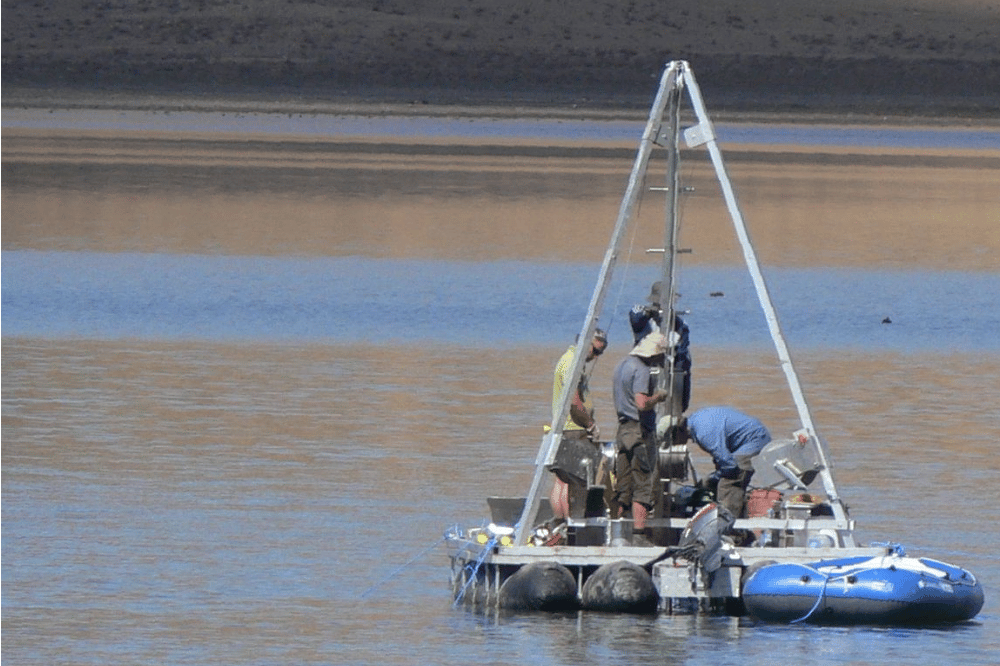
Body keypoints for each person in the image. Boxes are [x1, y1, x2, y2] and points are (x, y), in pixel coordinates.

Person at [611, 331, 671, 543]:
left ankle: (616, 532)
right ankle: (638, 534)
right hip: (639, 432)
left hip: (623, 430)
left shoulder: (621, 365)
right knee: (644, 482)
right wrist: (658, 397)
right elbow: (642, 403)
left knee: (623, 484)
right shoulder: (642, 370)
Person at [663, 406, 772, 520]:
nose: (675, 445)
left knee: (728, 484)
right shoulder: (695, 422)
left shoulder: (704, 434)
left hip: (754, 440)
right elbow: (721, 459)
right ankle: (733, 514)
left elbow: (730, 466)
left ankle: (728, 529)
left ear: (678, 432)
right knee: (716, 482)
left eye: (673, 442)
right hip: (747, 437)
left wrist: (713, 478)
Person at [549, 329, 608, 520]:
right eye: (595, 351)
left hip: (570, 428)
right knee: (573, 481)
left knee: (562, 480)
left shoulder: (573, 361)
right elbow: (574, 402)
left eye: (600, 353)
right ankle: (569, 524)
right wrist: (590, 425)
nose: (596, 357)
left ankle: (561, 522)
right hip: (573, 429)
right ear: (585, 343)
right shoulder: (572, 363)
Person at [629, 281, 691, 412]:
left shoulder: (679, 324)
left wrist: (672, 318)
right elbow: (635, 315)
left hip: (671, 373)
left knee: (674, 411)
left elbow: (682, 353)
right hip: (647, 371)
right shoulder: (644, 320)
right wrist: (650, 313)